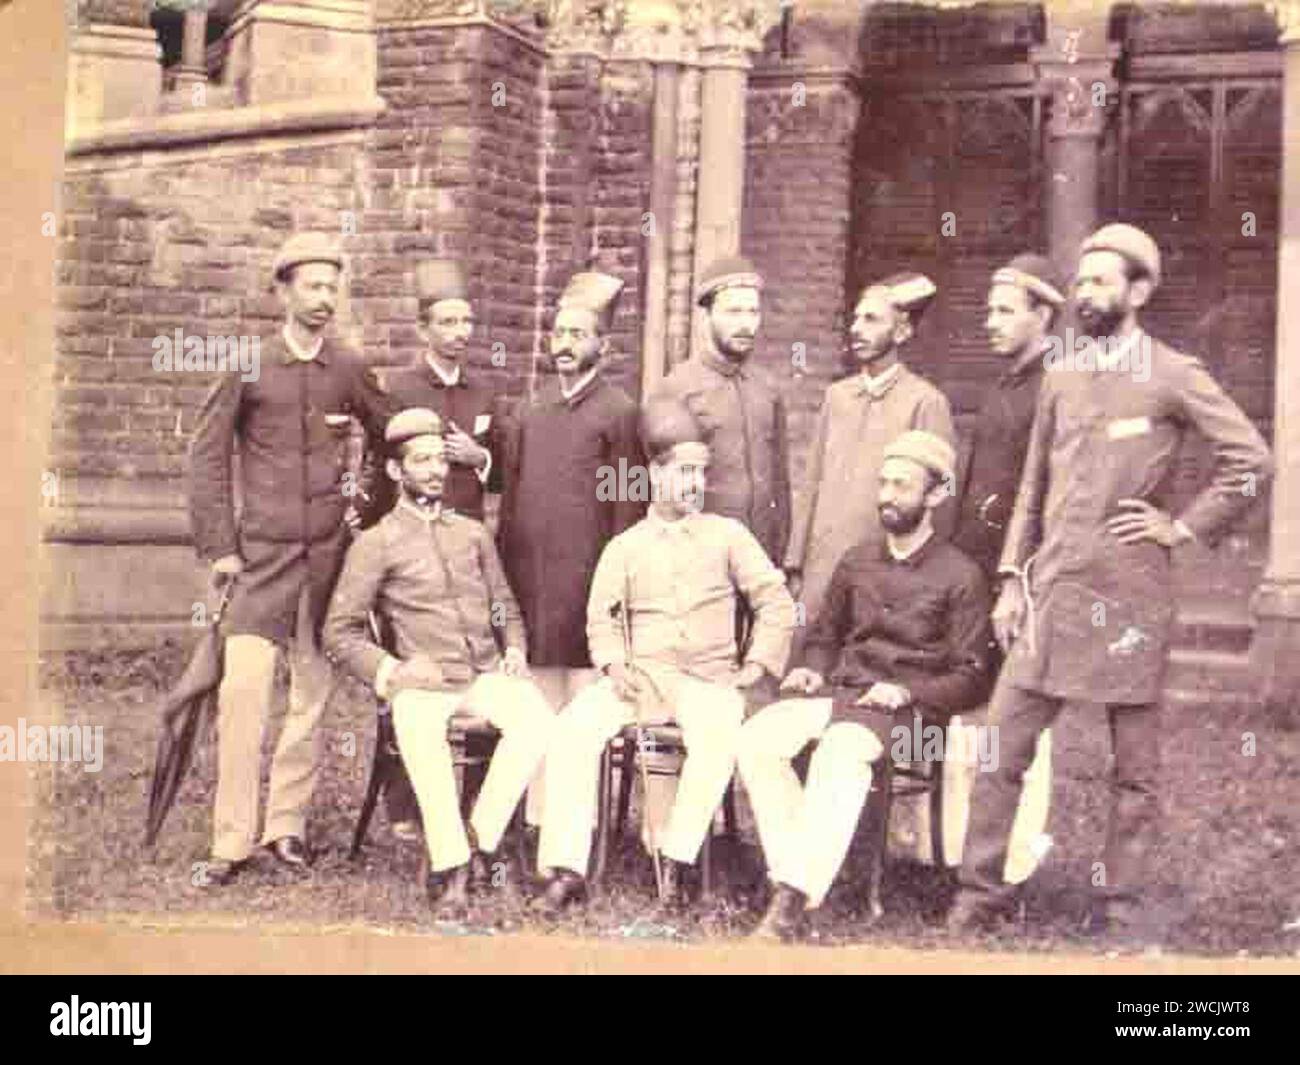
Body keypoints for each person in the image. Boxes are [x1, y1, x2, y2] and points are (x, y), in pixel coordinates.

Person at [947, 224, 1273, 942]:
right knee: (1001, 746)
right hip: (1054, 590)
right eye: (1080, 280)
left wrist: (1182, 527)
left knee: (1135, 773)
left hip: (1130, 597)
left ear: (1139, 291)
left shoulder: (1172, 372)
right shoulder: (1061, 372)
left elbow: (1250, 459)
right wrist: (1010, 576)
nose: (1083, 293)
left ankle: (1124, 910)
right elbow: (1033, 486)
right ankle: (979, 895)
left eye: (1100, 281)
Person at [534, 400, 797, 915]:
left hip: (708, 680)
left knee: (718, 738)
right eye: (684, 473)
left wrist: (757, 665)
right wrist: (612, 665)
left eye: (701, 473)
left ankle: (676, 864)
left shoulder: (728, 536)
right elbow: (600, 618)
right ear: (655, 475)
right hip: (641, 680)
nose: (695, 484)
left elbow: (776, 602)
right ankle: (566, 869)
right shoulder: (625, 546)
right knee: (572, 729)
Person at [188, 231, 389, 884]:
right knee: (244, 695)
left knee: (311, 697)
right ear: (282, 291)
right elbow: (208, 455)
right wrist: (220, 547)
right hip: (259, 563)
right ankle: (231, 838)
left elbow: (394, 436)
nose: (325, 297)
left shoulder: (350, 368)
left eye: (333, 286)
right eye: (312, 285)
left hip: (328, 564)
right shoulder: (247, 362)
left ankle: (287, 826)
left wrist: (367, 508)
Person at [739, 430, 994, 941]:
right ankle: (802, 872)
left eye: (902, 485)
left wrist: (909, 692)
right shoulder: (857, 560)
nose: (886, 495)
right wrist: (811, 665)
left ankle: (790, 902)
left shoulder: (961, 575)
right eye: (883, 483)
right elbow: (824, 636)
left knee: (842, 749)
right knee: (757, 739)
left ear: (936, 495)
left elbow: (971, 678)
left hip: (916, 720)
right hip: (848, 694)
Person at [322, 409, 554, 918]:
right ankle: (450, 866)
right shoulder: (375, 543)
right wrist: (391, 672)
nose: (433, 471)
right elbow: (338, 632)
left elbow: (504, 605)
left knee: (537, 718)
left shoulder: (471, 534)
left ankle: (478, 837)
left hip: (483, 674)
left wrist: (513, 647)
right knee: (417, 725)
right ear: (394, 472)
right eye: (420, 461)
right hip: (422, 683)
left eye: (439, 460)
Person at [362, 259, 504, 842]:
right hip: (409, 556)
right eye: (447, 321)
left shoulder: (484, 391)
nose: (460, 332)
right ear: (425, 330)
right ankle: (405, 806)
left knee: (476, 665)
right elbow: (378, 469)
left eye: (466, 321)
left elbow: (501, 477)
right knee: (416, 675)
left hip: (467, 546)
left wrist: (481, 460)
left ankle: (475, 801)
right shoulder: (397, 389)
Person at [942, 253, 1068, 885]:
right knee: (974, 711)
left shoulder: (1056, 384)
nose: (989, 322)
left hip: (1019, 579)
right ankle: (961, 848)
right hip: (978, 571)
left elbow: (1046, 492)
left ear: (1043, 315)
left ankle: (1017, 859)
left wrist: (1019, 575)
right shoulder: (1005, 384)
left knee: (1018, 720)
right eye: (988, 309)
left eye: (1004, 311)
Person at [495, 271, 646, 714]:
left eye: (578, 335)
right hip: (530, 580)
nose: (564, 344)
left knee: (581, 702)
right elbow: (511, 502)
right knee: (535, 702)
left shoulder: (619, 413)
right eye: (558, 333)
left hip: (587, 579)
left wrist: (617, 581)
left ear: (603, 346)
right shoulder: (530, 408)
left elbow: (628, 506)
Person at [785, 272, 954, 623]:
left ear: (903, 331)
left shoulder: (925, 402)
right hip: (823, 568)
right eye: (856, 318)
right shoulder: (837, 396)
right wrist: (795, 563)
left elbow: (938, 500)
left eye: (872, 319)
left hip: (885, 575)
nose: (856, 329)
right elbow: (812, 482)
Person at [652, 255, 791, 567]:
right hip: (699, 563)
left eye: (753, 312)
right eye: (733, 312)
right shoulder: (676, 389)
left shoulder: (768, 389)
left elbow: (779, 485)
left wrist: (779, 558)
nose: (745, 324)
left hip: (759, 560)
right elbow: (658, 488)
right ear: (706, 316)